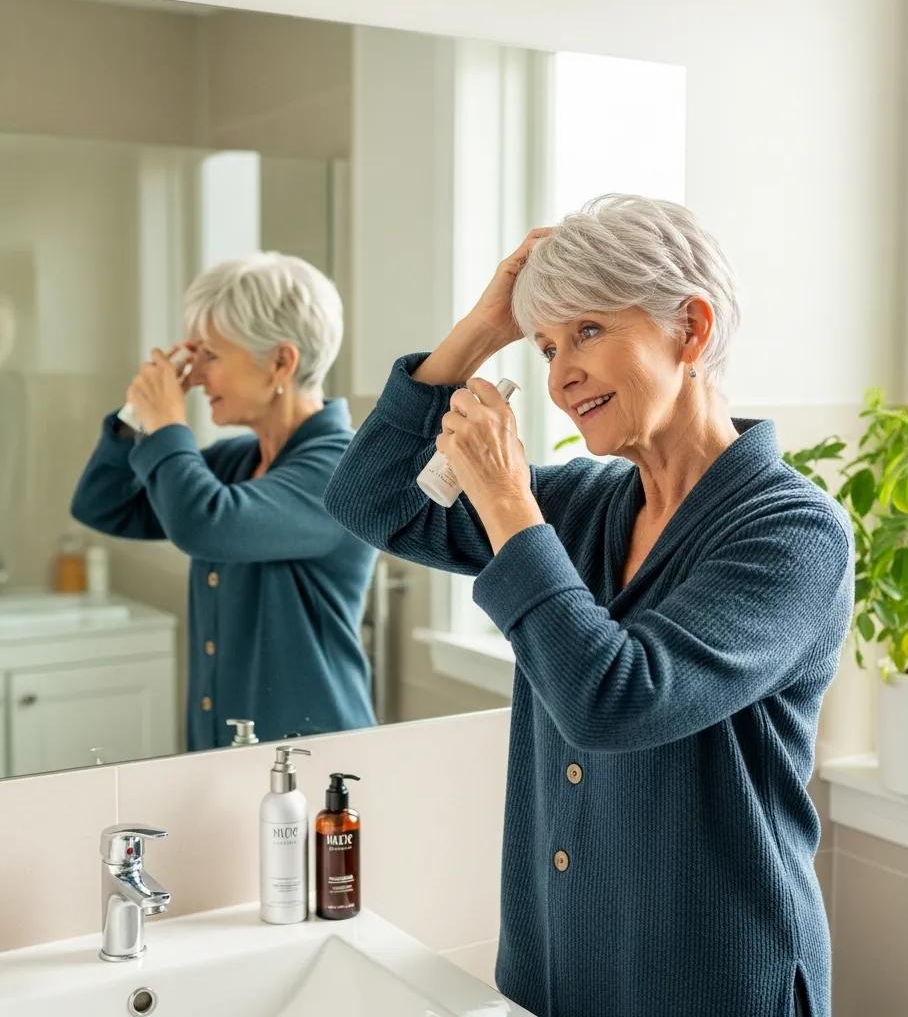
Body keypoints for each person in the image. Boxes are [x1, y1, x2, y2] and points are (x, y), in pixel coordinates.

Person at [324, 195, 852, 1017]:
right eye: (544, 346)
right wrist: (479, 331)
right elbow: (372, 499)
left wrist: (504, 498)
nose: (560, 374)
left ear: (692, 329)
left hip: (713, 983)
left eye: (590, 332)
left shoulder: (793, 533)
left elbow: (614, 700)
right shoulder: (583, 504)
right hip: (557, 972)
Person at [72, 252, 377, 749]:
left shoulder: (344, 468)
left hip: (317, 758)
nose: (198, 374)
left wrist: (168, 423)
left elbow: (205, 523)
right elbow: (104, 504)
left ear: (282, 360)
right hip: (228, 751)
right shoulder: (236, 460)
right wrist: (137, 413)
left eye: (211, 355)